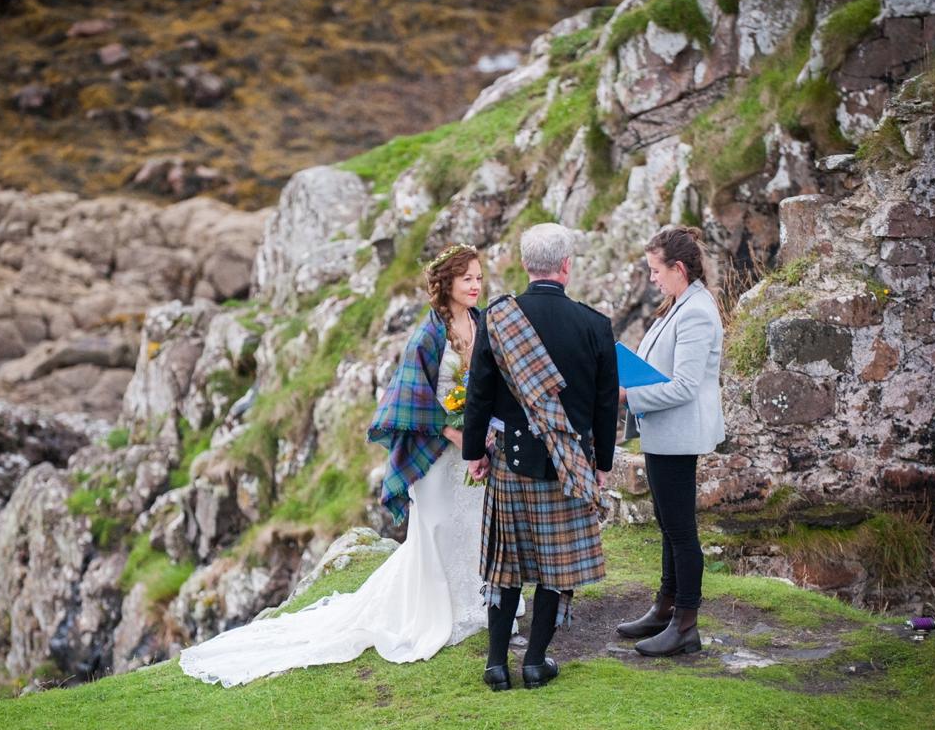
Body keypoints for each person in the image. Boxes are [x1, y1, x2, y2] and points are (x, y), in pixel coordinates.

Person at [177, 244, 491, 686]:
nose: (476, 286)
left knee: (469, 523)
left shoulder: (481, 323)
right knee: (437, 525)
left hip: (470, 451)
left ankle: (472, 604)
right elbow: (410, 398)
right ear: (447, 284)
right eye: (467, 279)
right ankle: (437, 613)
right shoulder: (428, 335)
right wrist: (453, 429)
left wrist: (483, 428)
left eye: (479, 277)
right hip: (438, 451)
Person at [463, 222, 617, 690]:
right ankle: (533, 661)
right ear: (567, 266)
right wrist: (602, 463)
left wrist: (474, 453)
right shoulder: (595, 325)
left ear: (527, 265)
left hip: (511, 462)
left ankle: (495, 665)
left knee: (505, 563)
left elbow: (478, 394)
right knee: (556, 563)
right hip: (567, 466)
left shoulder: (497, 318)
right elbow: (605, 405)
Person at [615, 225, 725, 657]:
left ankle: (685, 623)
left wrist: (628, 393)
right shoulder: (679, 303)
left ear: (678, 268)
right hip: (663, 432)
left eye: (656, 270)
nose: (653, 279)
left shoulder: (697, 311)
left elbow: (683, 386)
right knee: (668, 524)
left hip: (679, 434)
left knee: (681, 531)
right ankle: (664, 608)